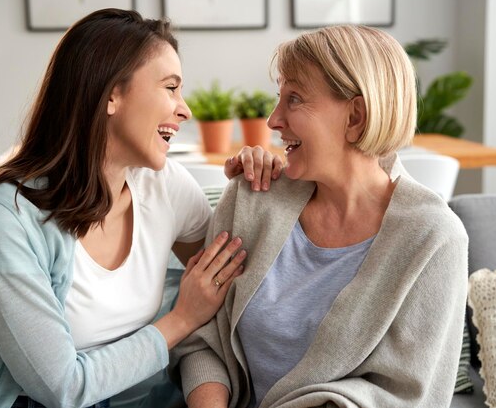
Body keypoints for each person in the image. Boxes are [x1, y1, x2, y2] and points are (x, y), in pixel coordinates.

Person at [0, 9, 282, 408]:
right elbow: (62, 388)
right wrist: (181, 319)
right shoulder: (6, 215)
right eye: (170, 88)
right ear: (111, 94)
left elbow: (242, 286)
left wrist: (261, 189)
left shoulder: (164, 185)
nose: (184, 109)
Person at [172, 25, 469, 408]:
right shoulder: (252, 197)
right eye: (278, 98)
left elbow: (405, 395)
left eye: (294, 98)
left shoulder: (433, 239)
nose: (273, 120)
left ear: (355, 117)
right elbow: (203, 339)